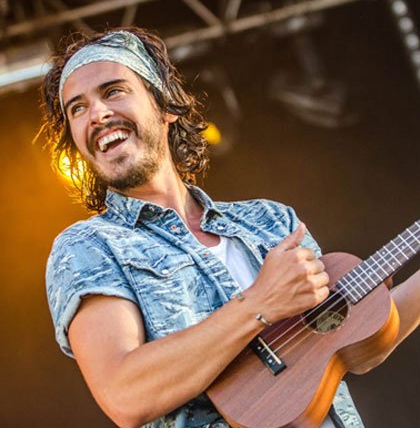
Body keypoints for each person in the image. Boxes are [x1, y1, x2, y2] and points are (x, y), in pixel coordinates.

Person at [41, 27, 419, 428]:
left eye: (113, 91)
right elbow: (126, 394)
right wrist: (259, 304)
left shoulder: (270, 221)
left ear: (164, 106)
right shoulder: (89, 247)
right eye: (77, 108)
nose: (97, 114)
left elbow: (354, 341)